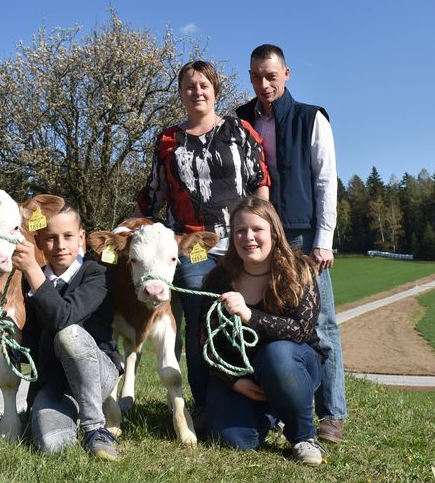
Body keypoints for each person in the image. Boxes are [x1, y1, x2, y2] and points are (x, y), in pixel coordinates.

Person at [135, 60, 270, 424]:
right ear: (180, 93)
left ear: (215, 91)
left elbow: (260, 179)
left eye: (203, 85)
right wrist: (132, 223)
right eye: (189, 86)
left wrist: (263, 225)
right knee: (200, 318)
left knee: (249, 313)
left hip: (241, 242)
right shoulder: (167, 140)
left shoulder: (240, 131)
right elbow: (154, 192)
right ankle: (204, 402)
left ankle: (259, 393)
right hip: (190, 247)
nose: (197, 91)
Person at [236, 44, 346, 443]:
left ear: (287, 74)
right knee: (268, 321)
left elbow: (325, 181)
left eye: (270, 75)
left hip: (301, 234)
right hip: (258, 235)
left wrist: (324, 240)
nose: (263, 84)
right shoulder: (241, 119)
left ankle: (331, 414)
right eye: (255, 76)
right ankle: (279, 408)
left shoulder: (310, 118)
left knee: (322, 322)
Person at [200, 196, 326, 465]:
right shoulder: (218, 280)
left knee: (277, 354)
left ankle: (303, 436)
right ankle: (273, 411)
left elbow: (300, 330)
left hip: (293, 365)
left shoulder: (300, 270)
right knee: (235, 440)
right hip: (242, 374)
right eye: (240, 231)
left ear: (273, 232)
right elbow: (206, 341)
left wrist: (249, 315)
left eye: (257, 230)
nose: (249, 238)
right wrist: (234, 382)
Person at [12, 197, 122, 460]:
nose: (60, 245)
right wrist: (11, 338)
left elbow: (63, 317)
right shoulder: (31, 284)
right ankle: (69, 414)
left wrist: (30, 270)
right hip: (54, 386)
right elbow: (33, 343)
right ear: (38, 242)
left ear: (81, 238)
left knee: (69, 335)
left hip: (98, 376)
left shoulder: (97, 275)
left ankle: (95, 429)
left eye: (68, 236)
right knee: (53, 447)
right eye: (50, 238)